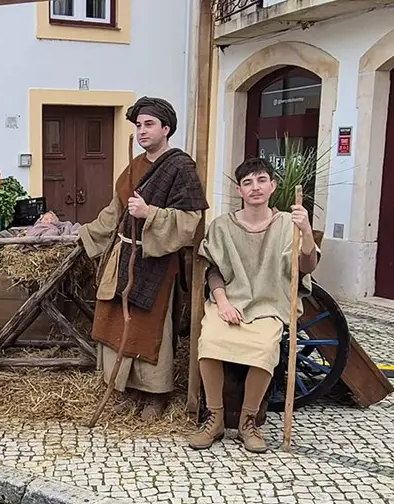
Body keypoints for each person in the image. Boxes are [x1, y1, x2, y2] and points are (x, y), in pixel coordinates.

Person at [77, 96, 210, 421]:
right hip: (123, 255)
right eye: (138, 125)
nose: (142, 131)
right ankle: (122, 388)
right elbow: (115, 211)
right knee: (114, 320)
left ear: (166, 128)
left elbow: (190, 220)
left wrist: (151, 213)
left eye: (149, 124)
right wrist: (84, 235)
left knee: (150, 327)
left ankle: (155, 394)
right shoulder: (134, 165)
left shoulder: (181, 167)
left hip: (157, 262)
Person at [189, 157, 317, 453]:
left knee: (263, 350)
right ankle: (215, 419)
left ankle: (249, 422)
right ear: (239, 191)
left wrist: (306, 230)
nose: (255, 187)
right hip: (229, 302)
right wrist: (222, 303)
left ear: (272, 186)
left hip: (269, 305)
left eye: (261, 181)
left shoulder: (288, 224)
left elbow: (305, 265)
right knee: (209, 342)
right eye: (247, 182)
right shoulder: (223, 226)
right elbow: (214, 270)